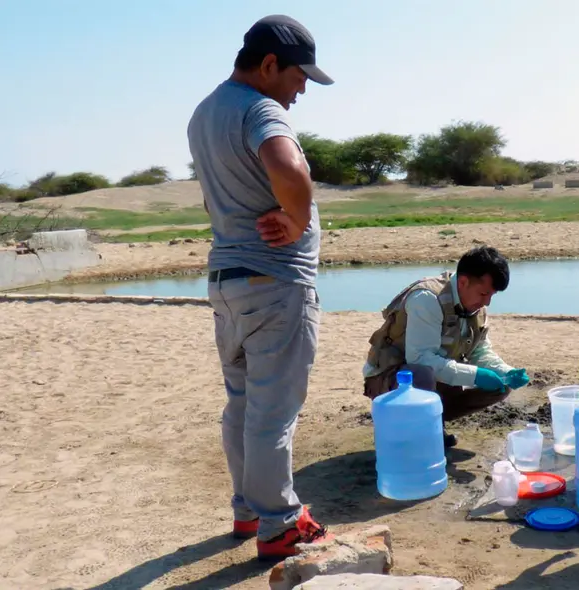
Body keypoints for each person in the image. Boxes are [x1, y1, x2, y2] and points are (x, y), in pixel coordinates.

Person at [187, 14, 336, 560]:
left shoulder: (205, 112)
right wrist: (297, 220)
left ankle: (248, 512)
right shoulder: (260, 107)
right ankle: (279, 523)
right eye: (299, 76)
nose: (302, 89)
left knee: (243, 406)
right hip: (275, 282)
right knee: (274, 413)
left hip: (227, 282)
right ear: (269, 65)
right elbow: (289, 166)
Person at [362, 246, 531, 447]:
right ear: (463, 281)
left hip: (434, 378)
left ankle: (431, 423)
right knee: (421, 375)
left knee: (501, 386)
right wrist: (476, 375)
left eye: (491, 295)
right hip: (390, 379)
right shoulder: (427, 299)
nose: (487, 302)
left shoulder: (476, 306)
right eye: (484, 293)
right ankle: (419, 435)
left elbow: (479, 350)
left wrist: (506, 372)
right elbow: (421, 359)